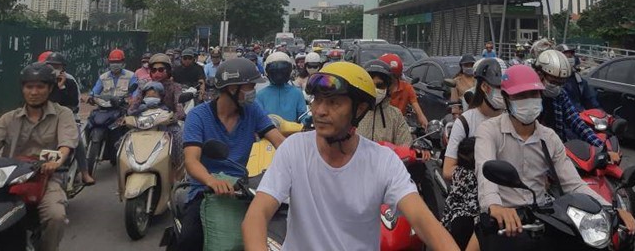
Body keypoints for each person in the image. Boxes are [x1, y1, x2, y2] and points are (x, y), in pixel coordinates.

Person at [241, 62, 458, 251]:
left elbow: (423, 221)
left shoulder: (383, 161)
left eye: (334, 102)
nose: (320, 111)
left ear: (359, 109)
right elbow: (256, 217)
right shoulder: (294, 150)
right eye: (317, 100)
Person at [474, 64, 635, 247]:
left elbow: (573, 184)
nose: (528, 100)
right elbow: (484, 173)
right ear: (506, 99)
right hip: (504, 218)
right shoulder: (489, 131)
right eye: (520, 96)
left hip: (542, 216)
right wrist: (494, 206)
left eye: (533, 94)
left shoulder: (549, 137)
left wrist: (611, 208)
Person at [174, 57, 286, 251]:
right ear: (232, 88)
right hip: (205, 190)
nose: (253, 92)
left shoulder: (253, 110)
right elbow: (192, 161)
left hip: (243, 188)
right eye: (250, 86)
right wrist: (211, 181)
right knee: (190, 239)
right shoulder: (198, 116)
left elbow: (280, 142)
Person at [0, 63, 78, 251]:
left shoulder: (63, 114)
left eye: (40, 87)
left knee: (56, 216)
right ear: (23, 89)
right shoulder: (8, 118)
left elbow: (65, 145)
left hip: (45, 178)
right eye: (29, 87)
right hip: (6, 182)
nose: (34, 92)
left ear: (50, 88)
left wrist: (56, 161)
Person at [442, 57, 505, 250]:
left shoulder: (512, 120)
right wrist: (480, 176)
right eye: (498, 88)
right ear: (484, 87)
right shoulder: (466, 121)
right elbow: (447, 170)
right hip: (469, 200)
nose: (503, 94)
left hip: (507, 197)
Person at [533, 49, 611, 157]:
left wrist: (601, 147)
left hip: (558, 147)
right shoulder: (528, 95)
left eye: (561, 83)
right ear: (539, 74)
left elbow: (575, 121)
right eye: (553, 81)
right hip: (533, 149)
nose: (556, 86)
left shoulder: (560, 94)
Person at [44, 52, 96, 186]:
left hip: (68, 119)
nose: (54, 69)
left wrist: (61, 87)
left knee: (77, 141)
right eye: (51, 66)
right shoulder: (43, 80)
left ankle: (85, 173)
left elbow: (73, 103)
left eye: (57, 66)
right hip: (46, 118)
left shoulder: (70, 81)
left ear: (63, 67)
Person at [357, 59, 412, 146]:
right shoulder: (353, 112)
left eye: (380, 86)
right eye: (371, 85)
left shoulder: (395, 115)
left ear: (387, 88)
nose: (375, 90)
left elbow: (405, 145)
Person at [380, 53, 429, 129]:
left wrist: (425, 124)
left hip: (399, 126)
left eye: (392, 76)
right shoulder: (377, 89)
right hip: (380, 124)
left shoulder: (407, 88)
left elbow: (418, 110)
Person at [255, 52, 306, 122]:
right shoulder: (260, 95)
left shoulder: (297, 93)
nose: (279, 76)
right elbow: (258, 119)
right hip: (268, 132)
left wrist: (307, 120)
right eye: (275, 72)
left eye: (283, 72)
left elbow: (302, 116)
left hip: (294, 132)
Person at [556, 44, 600, 112]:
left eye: (571, 56)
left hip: (578, 117)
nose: (570, 58)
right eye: (567, 55)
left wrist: (600, 113)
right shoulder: (552, 81)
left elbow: (591, 102)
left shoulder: (579, 80)